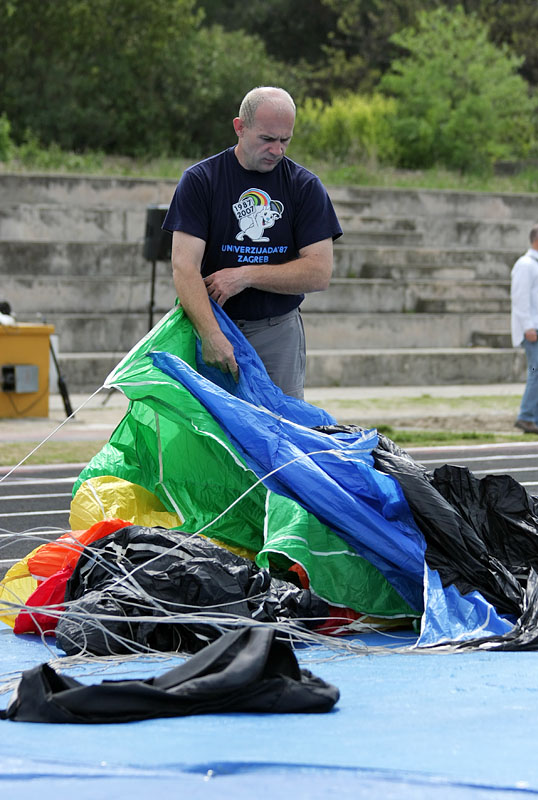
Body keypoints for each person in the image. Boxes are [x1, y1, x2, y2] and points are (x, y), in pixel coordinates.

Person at [162, 86, 342, 399]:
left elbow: (319, 272)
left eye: (285, 140)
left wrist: (245, 275)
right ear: (239, 127)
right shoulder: (201, 180)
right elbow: (183, 266)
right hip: (213, 323)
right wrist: (211, 333)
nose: (277, 150)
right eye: (267, 139)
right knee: (211, 434)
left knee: (281, 434)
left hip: (277, 330)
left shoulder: (304, 187)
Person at [511, 224, 538, 434]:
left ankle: (532, 417)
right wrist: (528, 327)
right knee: (535, 372)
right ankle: (526, 416)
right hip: (532, 331)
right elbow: (520, 299)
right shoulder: (526, 264)